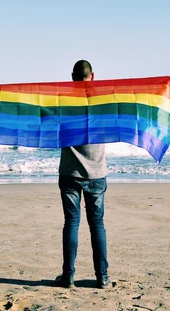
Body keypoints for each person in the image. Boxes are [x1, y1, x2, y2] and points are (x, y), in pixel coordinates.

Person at [55, 60, 109, 289]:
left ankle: (68, 276)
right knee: (97, 224)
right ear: (93, 76)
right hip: (96, 172)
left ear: (72, 77)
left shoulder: (63, 102)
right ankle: (102, 277)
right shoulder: (104, 103)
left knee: (71, 223)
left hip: (70, 172)